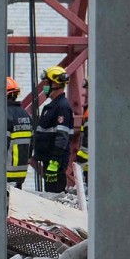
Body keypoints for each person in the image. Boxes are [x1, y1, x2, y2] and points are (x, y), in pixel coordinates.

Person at [33, 65, 74, 193]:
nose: (45, 86)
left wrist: (55, 163)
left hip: (54, 164)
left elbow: (62, 136)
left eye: (47, 83)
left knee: (54, 198)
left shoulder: (62, 107)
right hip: (49, 161)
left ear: (55, 84)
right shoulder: (54, 106)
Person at [5, 77, 33, 189]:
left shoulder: (5, 115)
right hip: (21, 173)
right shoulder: (25, 115)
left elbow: (2, 146)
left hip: (5, 172)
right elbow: (32, 145)